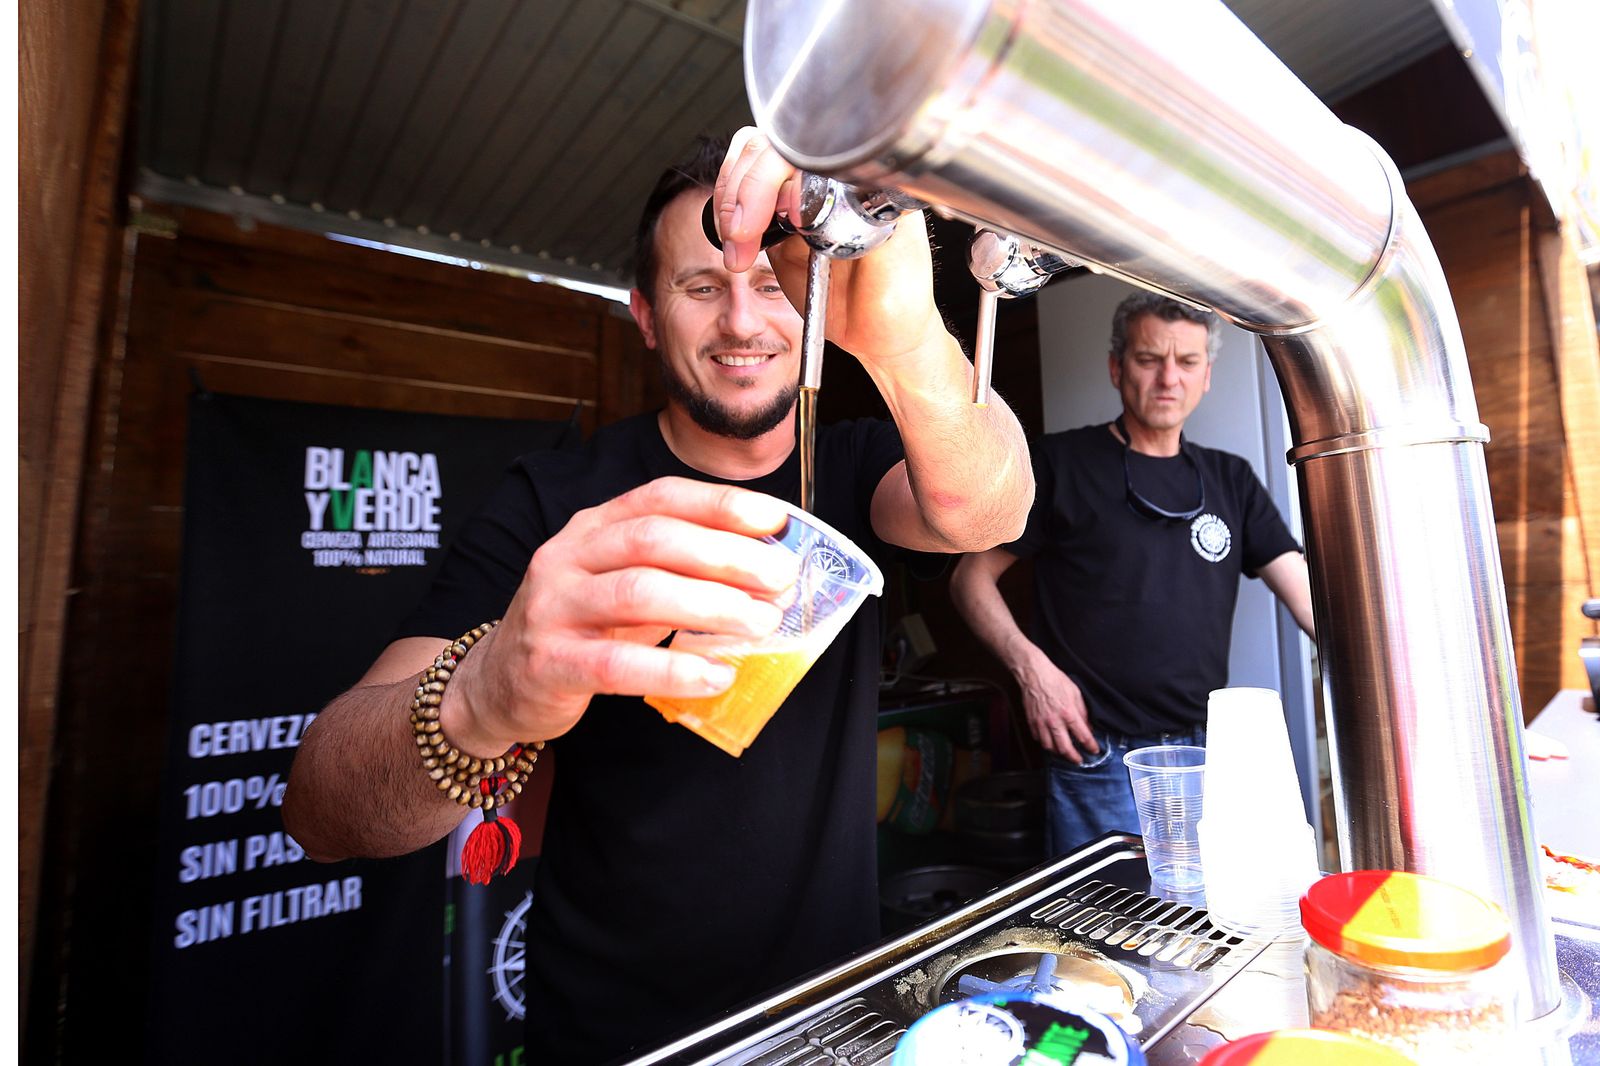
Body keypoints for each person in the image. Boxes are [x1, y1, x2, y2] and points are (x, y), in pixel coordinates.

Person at [282, 128, 1032, 1062]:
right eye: (702, 286)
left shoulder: (854, 464)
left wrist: (910, 336)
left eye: (774, 285)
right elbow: (319, 812)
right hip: (613, 1034)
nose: (744, 323)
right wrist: (483, 694)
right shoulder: (554, 502)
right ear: (643, 312)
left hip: (837, 1021)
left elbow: (986, 511)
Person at [950, 292, 1315, 857]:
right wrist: (1033, 673)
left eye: (1187, 362)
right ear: (1118, 368)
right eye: (1150, 359)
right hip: (1096, 756)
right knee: (1097, 938)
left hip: (1204, 760)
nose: (1170, 377)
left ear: (1206, 376)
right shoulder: (1060, 465)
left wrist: (1385, 658)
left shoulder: (1231, 480)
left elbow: (1305, 592)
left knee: (1197, 932)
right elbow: (969, 579)